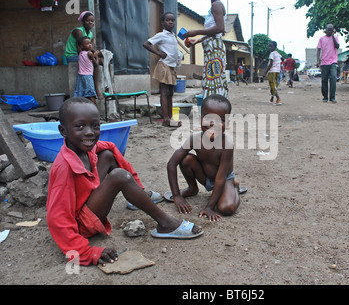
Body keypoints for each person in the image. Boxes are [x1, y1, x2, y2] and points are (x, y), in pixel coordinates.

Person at [46, 97, 203, 266]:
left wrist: (137, 185)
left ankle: (137, 197)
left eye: (95, 125)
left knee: (107, 154)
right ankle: (166, 223)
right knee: (119, 175)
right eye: (80, 126)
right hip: (81, 225)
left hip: (87, 202)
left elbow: (108, 148)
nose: (90, 132)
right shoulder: (63, 168)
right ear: (63, 131)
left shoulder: (83, 147)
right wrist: (87, 252)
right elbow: (56, 219)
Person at [166, 94, 241, 222]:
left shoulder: (226, 145)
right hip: (205, 177)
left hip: (224, 180)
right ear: (200, 118)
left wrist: (209, 207)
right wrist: (176, 195)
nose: (213, 124)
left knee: (226, 208)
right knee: (186, 159)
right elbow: (172, 164)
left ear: (227, 123)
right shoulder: (194, 139)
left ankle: (234, 189)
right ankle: (192, 188)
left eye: (221, 119)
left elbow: (220, 179)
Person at [183, 0, 229, 98]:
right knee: (213, 78)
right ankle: (215, 107)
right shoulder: (214, 6)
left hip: (214, 48)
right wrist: (198, 40)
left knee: (214, 79)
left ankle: (216, 107)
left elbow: (220, 28)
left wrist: (196, 32)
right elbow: (214, 32)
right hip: (212, 46)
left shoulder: (216, 5)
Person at [143, 12, 183, 127]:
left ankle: (170, 118)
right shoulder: (161, 35)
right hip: (164, 65)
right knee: (164, 92)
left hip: (172, 66)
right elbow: (146, 44)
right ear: (162, 22)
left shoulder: (173, 36)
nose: (170, 22)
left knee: (170, 92)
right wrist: (159, 53)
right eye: (167, 20)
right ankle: (166, 119)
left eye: (172, 20)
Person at [64, 11, 103, 99]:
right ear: (83, 21)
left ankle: (108, 88)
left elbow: (89, 48)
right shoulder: (78, 31)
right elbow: (80, 51)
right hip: (73, 55)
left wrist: (97, 53)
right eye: (87, 20)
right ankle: (96, 89)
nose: (90, 22)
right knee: (96, 63)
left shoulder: (90, 34)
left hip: (83, 54)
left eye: (92, 21)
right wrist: (93, 56)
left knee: (103, 60)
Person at [317, 24, 340, 103]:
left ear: (333, 30)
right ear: (325, 30)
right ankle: (325, 97)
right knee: (324, 80)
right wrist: (318, 61)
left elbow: (337, 46)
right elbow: (318, 50)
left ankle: (332, 97)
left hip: (333, 61)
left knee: (333, 78)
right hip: (324, 62)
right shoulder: (321, 39)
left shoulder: (335, 38)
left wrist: (333, 36)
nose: (330, 31)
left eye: (331, 30)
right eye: (328, 30)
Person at [73, 37, 99, 105]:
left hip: (80, 77)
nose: (90, 45)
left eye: (90, 43)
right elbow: (96, 64)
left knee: (82, 96)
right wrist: (96, 56)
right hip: (88, 77)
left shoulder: (80, 53)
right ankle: (95, 112)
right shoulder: (89, 54)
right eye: (87, 44)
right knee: (91, 96)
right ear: (81, 46)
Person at [264, 41, 282, 105]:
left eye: (271, 46)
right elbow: (282, 58)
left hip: (272, 71)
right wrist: (279, 65)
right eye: (269, 46)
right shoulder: (277, 53)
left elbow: (270, 64)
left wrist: (265, 72)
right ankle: (273, 96)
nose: (269, 47)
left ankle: (278, 98)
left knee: (272, 85)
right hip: (277, 71)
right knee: (274, 85)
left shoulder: (272, 54)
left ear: (275, 47)